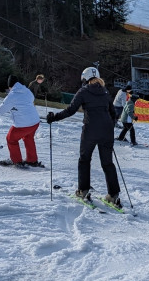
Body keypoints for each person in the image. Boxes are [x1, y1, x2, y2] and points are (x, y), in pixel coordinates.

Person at [46, 66, 121, 208]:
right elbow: (113, 113)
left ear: (85, 79)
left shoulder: (84, 91)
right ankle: (113, 195)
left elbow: (71, 110)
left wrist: (54, 117)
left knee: (84, 159)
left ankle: (83, 190)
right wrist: (109, 127)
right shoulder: (105, 91)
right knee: (107, 163)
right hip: (107, 132)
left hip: (90, 130)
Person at [0, 75, 42, 165]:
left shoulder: (12, 95)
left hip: (24, 124)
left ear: (10, 85)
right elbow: (32, 98)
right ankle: (32, 160)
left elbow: (1, 110)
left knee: (11, 138)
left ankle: (16, 161)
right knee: (28, 138)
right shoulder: (26, 90)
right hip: (35, 122)